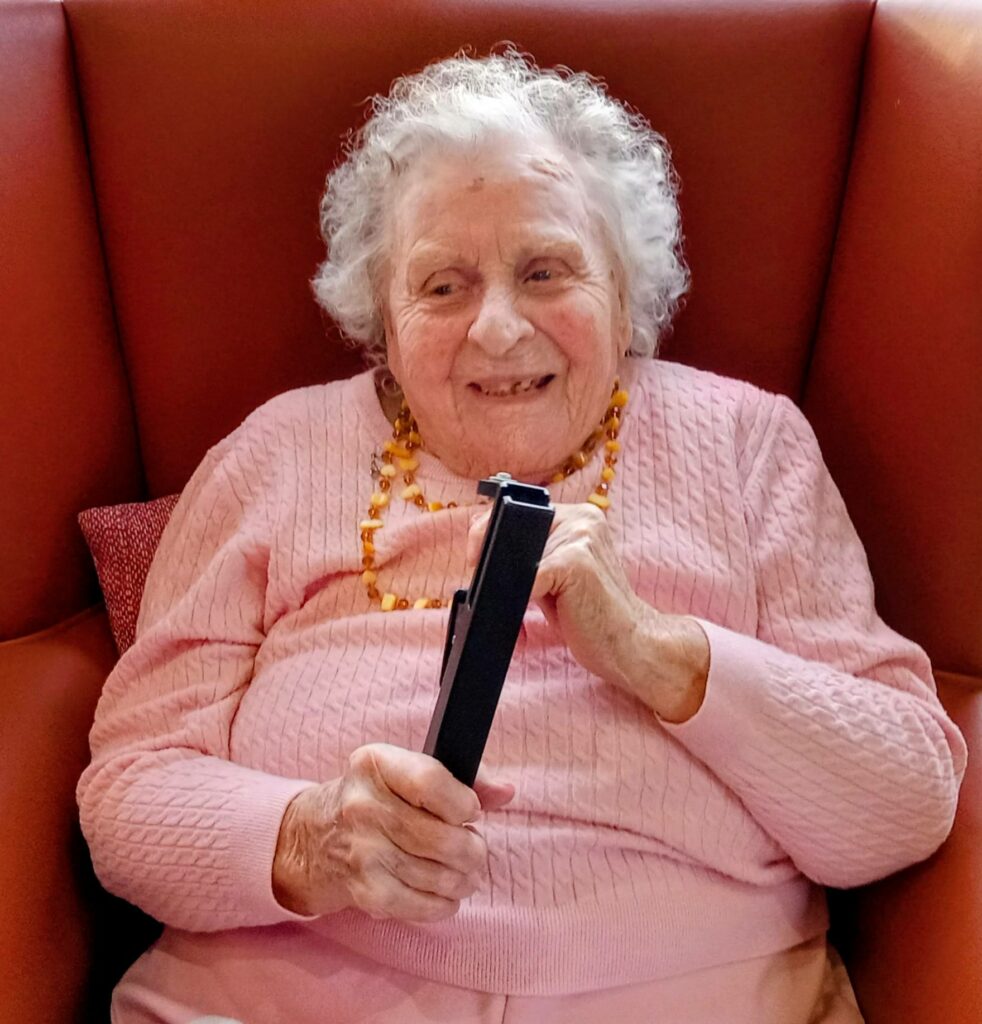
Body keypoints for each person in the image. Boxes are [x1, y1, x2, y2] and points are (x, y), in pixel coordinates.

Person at [77, 51, 966, 1024]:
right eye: (442, 287)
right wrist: (304, 838)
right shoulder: (276, 453)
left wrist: (659, 655)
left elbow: (902, 802)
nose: (497, 329)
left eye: (544, 270)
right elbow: (128, 794)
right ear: (381, 317)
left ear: (628, 292)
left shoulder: (747, 443)